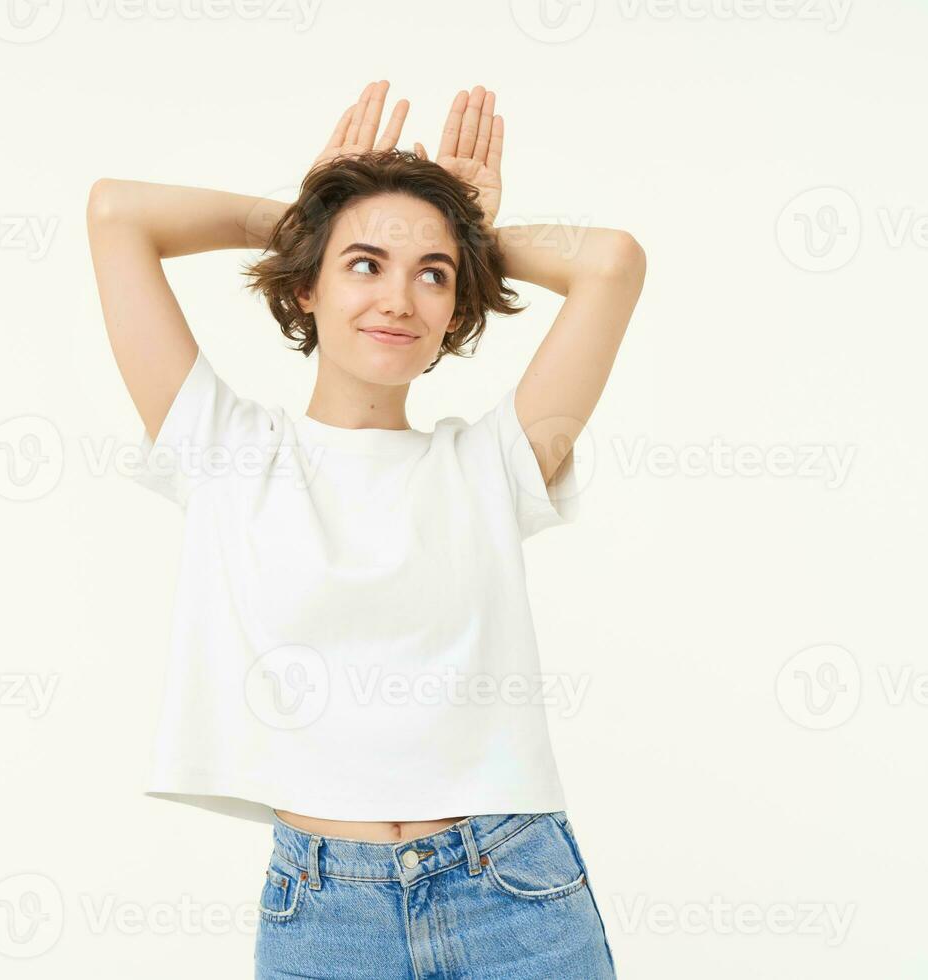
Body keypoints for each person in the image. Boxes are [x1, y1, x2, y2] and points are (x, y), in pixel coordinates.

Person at [87, 79, 645, 979]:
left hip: (514, 894)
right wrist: (313, 217)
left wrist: (456, 228)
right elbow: (117, 215)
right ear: (303, 288)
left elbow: (612, 263)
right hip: (323, 912)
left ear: (454, 313)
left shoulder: (492, 464)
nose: (400, 297)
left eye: (433, 276)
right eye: (364, 266)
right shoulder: (227, 450)